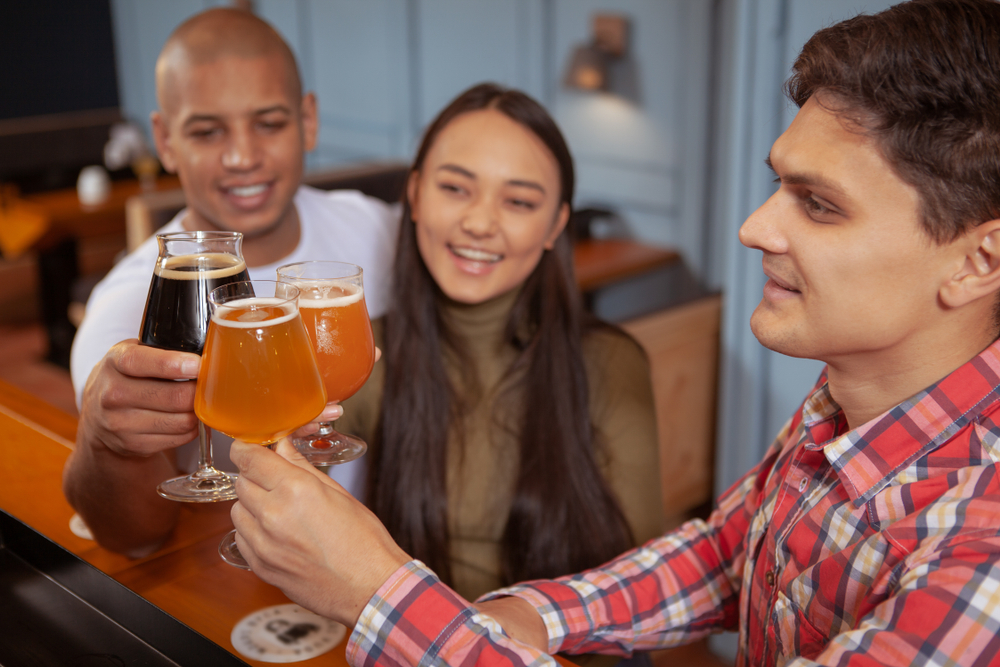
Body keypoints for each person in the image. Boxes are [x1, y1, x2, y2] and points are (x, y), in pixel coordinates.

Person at [226, 0, 1000, 665]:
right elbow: (726, 555)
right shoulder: (841, 409)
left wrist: (378, 588)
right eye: (778, 186)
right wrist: (536, 613)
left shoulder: (982, 551)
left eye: (820, 204)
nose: (755, 226)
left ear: (978, 260)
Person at [62, 8, 398, 557]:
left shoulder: (373, 228)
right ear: (165, 140)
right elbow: (132, 538)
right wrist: (103, 443)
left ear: (308, 120)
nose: (243, 156)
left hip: (379, 569)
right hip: (232, 587)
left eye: (269, 123)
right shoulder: (127, 311)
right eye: (207, 130)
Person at [318, 83, 662, 605]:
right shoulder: (370, 354)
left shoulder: (610, 362)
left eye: (519, 201)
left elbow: (636, 592)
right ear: (413, 195)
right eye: (455, 188)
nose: (479, 223)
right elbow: (281, 486)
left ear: (556, 227)